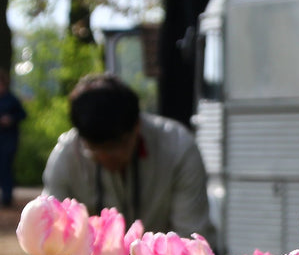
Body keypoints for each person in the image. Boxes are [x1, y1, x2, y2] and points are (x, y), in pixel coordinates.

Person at [43, 72, 217, 245]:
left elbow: (190, 240)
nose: (106, 159)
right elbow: (52, 238)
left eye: (115, 149)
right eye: (95, 152)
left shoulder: (178, 148)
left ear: (137, 126)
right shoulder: (65, 158)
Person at [0, 68, 27, 208]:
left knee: (5, 167)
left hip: (9, 139)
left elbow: (23, 114)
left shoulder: (12, 99)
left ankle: (7, 197)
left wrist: (10, 119)